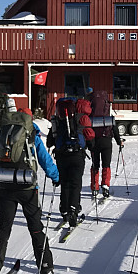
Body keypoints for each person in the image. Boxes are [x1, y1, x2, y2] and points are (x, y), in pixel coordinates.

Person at [0, 106, 60, 274]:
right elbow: (45, 160)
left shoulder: (5, 134)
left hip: (5, 186)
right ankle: (46, 268)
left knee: (3, 228)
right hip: (27, 188)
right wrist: (56, 176)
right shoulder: (32, 134)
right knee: (35, 229)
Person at [46, 95, 92, 228]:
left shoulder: (57, 122)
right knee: (75, 184)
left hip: (61, 156)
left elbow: (49, 143)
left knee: (65, 182)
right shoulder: (79, 120)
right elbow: (89, 138)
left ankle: (65, 211)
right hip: (77, 155)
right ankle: (73, 209)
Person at [88, 88, 124, 198]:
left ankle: (95, 187)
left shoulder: (91, 115)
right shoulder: (108, 114)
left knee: (95, 165)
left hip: (94, 141)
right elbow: (115, 129)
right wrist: (119, 142)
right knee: (106, 164)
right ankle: (105, 186)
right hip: (106, 141)